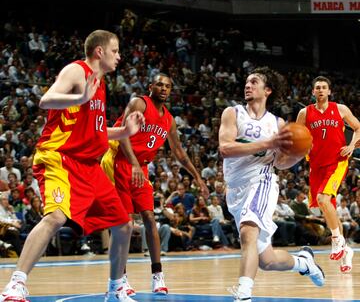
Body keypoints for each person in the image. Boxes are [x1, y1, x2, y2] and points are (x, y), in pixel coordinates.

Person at [0, 30, 144, 302]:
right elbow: (46, 99)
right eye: (115, 51)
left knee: (123, 224)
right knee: (55, 217)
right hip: (60, 158)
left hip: (89, 167)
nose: (119, 56)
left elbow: (96, 132)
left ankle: (116, 287)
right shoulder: (77, 71)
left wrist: (125, 131)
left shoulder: (100, 84)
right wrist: (78, 99)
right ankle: (15, 286)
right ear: (99, 51)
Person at [219, 66, 325, 302]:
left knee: (248, 231)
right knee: (266, 260)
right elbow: (226, 149)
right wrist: (268, 143)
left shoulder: (277, 124)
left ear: (267, 90)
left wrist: (300, 153)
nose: (248, 85)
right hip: (236, 189)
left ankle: (243, 295)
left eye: (254, 82)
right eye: (246, 82)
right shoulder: (233, 113)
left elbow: (280, 162)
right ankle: (303, 263)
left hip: (262, 181)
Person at [101, 73, 209, 297]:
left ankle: (157, 275)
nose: (163, 88)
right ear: (150, 86)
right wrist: (133, 164)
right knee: (124, 224)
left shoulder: (168, 119)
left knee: (150, 218)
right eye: (159, 84)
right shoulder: (139, 103)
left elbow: (178, 152)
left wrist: (197, 177)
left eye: (168, 86)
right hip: (119, 162)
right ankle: (120, 278)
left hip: (140, 167)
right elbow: (122, 136)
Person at [296, 75, 360, 273]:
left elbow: (358, 127)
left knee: (323, 199)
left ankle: (337, 240)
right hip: (316, 166)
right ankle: (346, 252)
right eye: (317, 87)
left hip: (337, 162)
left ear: (329, 91)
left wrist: (351, 146)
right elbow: (298, 137)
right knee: (327, 210)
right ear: (313, 91)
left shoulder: (340, 109)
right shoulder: (304, 113)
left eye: (324, 87)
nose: (321, 90)